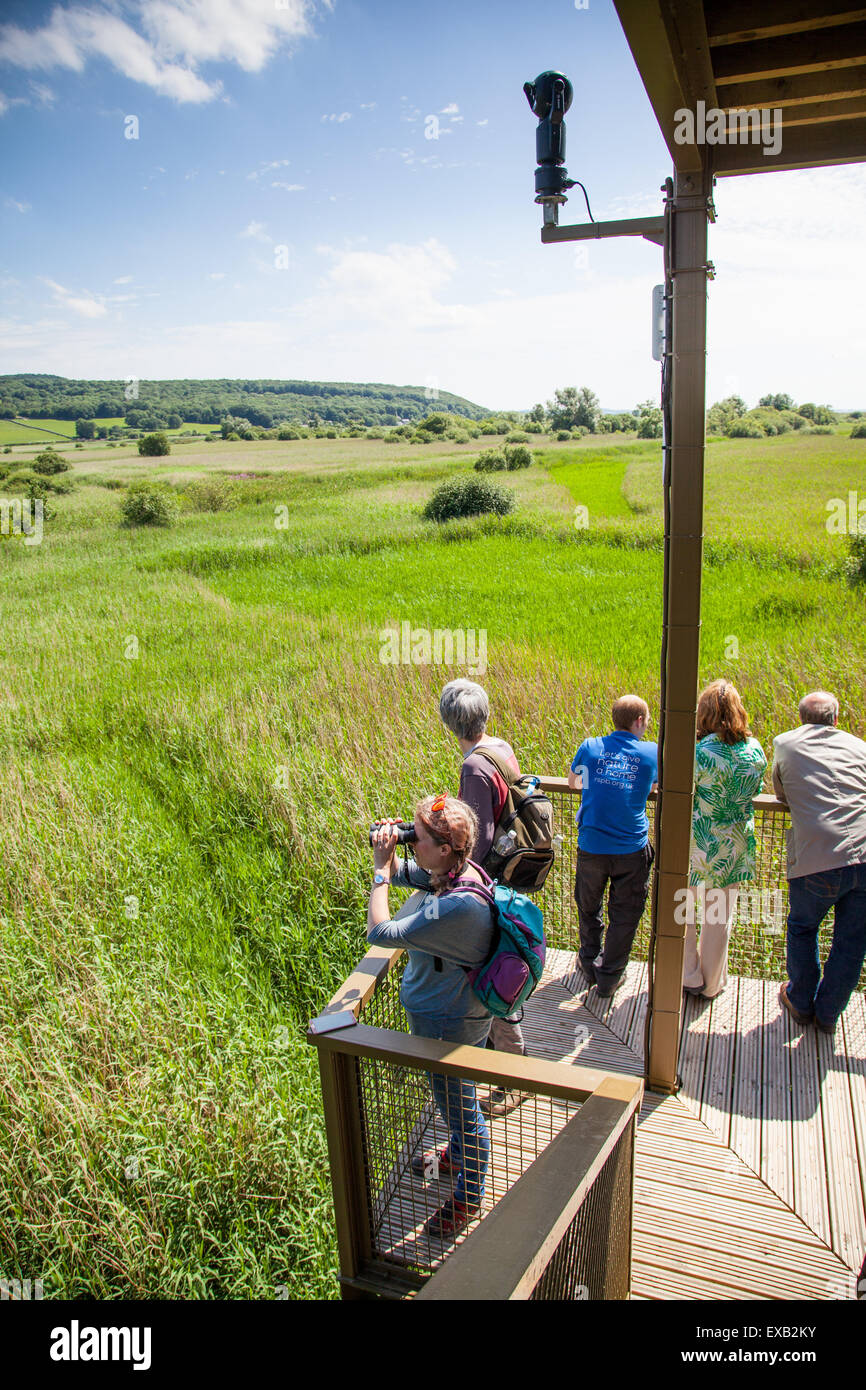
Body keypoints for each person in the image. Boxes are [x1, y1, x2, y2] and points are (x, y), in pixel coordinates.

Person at [367, 794, 494, 1239]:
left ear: (444, 849)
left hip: (449, 1021)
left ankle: (468, 1196)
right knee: (454, 1098)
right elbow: (409, 873)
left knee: (460, 1109)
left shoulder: (458, 904)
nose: (410, 844)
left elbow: (381, 933)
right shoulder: (458, 871)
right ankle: (458, 1155)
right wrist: (389, 848)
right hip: (450, 1014)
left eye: (415, 838)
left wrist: (380, 875)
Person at [439, 678, 527, 1116]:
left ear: (450, 722)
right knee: (498, 967)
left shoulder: (473, 766)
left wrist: (454, 877)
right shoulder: (500, 746)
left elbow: (479, 838)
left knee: (491, 973)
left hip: (488, 885)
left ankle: (513, 1075)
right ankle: (504, 1062)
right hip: (508, 879)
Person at [772, 691, 866, 1035]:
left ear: (800, 718)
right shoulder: (860, 746)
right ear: (836, 719)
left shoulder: (784, 743)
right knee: (852, 943)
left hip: (817, 857)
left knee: (802, 928)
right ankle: (828, 1015)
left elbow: (780, 790)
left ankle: (801, 1001)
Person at [568, 695, 658, 996]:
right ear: (640, 721)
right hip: (631, 849)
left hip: (592, 845)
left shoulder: (591, 746)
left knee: (588, 905)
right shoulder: (651, 752)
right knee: (625, 914)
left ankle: (588, 959)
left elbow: (573, 783)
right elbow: (655, 786)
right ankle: (609, 977)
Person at [683, 680, 767, 999]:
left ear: (704, 713)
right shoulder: (754, 749)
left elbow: (683, 792)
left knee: (685, 911)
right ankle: (712, 984)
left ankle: (689, 976)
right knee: (719, 918)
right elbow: (756, 791)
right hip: (734, 846)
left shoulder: (699, 753)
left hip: (698, 844)